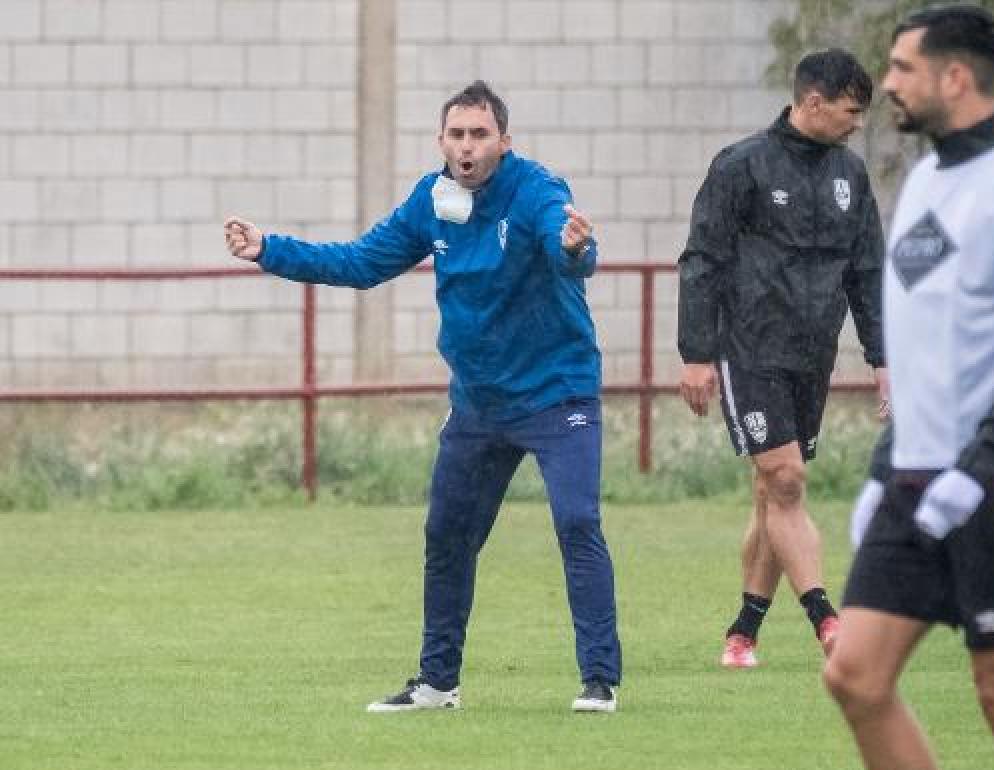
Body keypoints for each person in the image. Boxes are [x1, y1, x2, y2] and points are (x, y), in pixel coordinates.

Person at [223, 80, 623, 713]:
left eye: (480, 134)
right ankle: (438, 683)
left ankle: (599, 682)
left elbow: (565, 244)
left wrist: (578, 248)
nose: (467, 146)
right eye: (457, 134)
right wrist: (270, 249)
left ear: (503, 142)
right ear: (442, 141)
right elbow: (360, 263)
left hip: (557, 393)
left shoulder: (539, 189)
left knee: (577, 522)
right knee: (446, 534)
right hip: (479, 405)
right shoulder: (430, 200)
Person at [823, 7, 994, 770]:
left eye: (903, 68)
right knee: (855, 676)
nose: (888, 85)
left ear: (956, 76)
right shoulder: (926, 180)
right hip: (916, 472)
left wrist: (974, 474)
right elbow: (924, 351)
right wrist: (886, 468)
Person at [677, 48, 887, 669]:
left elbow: (868, 272)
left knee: (773, 492)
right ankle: (828, 620)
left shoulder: (852, 175)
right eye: (850, 112)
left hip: (812, 354)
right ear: (814, 102)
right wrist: (697, 353)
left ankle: (743, 631)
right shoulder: (742, 166)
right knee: (788, 479)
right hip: (750, 350)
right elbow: (703, 260)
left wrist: (884, 356)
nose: (857, 124)